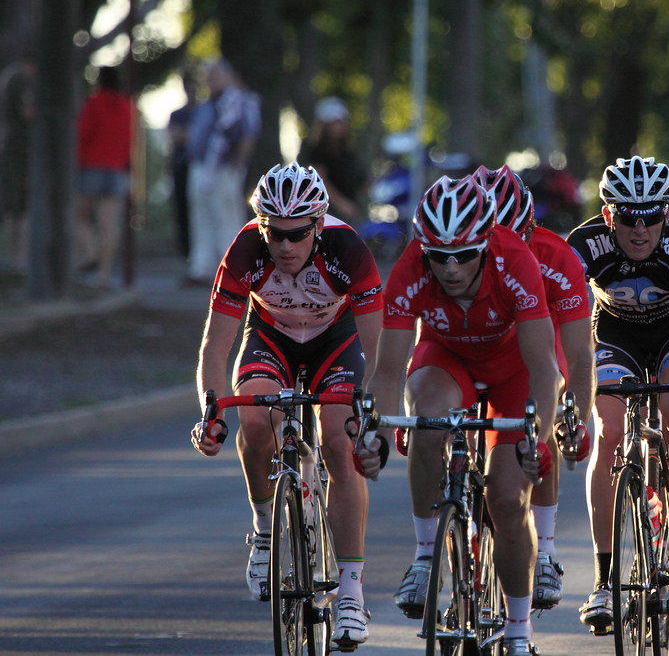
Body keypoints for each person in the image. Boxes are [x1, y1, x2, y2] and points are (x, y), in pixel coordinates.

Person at [356, 175, 560, 656]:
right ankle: (426, 556)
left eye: (464, 255)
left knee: (508, 501)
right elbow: (387, 373)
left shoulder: (516, 261)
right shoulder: (411, 268)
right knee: (425, 416)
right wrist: (377, 439)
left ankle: (517, 629)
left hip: (514, 371)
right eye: (437, 256)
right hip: (447, 360)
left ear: (486, 243)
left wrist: (541, 438)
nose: (449, 268)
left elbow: (545, 369)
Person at [189, 163, 383, 650]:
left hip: (336, 342)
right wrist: (210, 412)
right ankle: (262, 529)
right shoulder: (245, 251)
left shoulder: (349, 251)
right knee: (254, 422)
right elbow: (215, 346)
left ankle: (352, 594)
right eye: (274, 233)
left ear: (318, 224)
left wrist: (369, 406)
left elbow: (380, 347)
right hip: (271, 337)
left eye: (297, 234)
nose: (285, 246)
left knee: (339, 441)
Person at [567, 156, 669, 633]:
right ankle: (604, 580)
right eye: (627, 217)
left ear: (667, 214)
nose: (639, 229)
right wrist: (568, 408)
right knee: (608, 431)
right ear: (608, 216)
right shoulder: (582, 245)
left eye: (651, 216)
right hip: (615, 335)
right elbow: (566, 335)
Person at [472, 164, 595, 610]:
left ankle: (545, 548)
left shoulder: (554, 256)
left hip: (536, 346)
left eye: (514, 235)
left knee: (543, 413)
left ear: (530, 227)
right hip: (477, 345)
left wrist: (576, 417)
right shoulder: (457, 254)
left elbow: (579, 353)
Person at [184, 58, 261, 286]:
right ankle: (201, 268)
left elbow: (248, 135)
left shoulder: (240, 102)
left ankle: (232, 270)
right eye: (209, 75)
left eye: (216, 74)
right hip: (201, 167)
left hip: (225, 169)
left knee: (226, 217)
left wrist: (237, 165)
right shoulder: (206, 105)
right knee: (201, 218)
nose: (211, 79)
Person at [74, 65, 133, 289]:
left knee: (80, 217)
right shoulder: (126, 105)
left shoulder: (94, 102)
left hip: (90, 166)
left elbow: (82, 133)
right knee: (109, 225)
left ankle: (90, 252)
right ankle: (104, 275)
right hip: (116, 168)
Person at [299, 97, 369, 226]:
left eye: (340, 122)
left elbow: (361, 179)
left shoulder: (347, 151)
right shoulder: (315, 151)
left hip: (350, 214)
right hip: (325, 214)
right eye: (333, 123)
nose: (338, 127)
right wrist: (342, 204)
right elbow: (319, 181)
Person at [0, 57, 34, 273]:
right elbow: (27, 113)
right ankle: (17, 258)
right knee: (19, 206)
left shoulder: (10, 77)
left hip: (12, 145)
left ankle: (16, 258)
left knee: (15, 206)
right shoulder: (21, 81)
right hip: (18, 148)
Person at [167, 70, 199, 259]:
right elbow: (175, 138)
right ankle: (186, 252)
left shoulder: (203, 111)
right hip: (181, 166)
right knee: (182, 208)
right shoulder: (177, 114)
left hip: (198, 166)